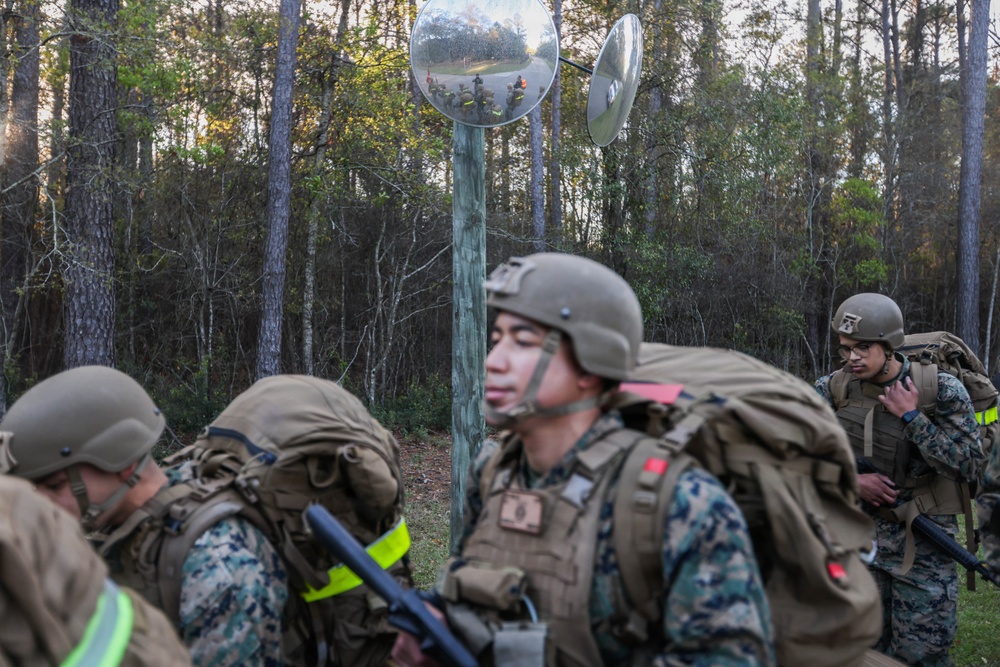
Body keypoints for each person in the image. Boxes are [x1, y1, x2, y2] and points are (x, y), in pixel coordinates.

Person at [393, 252, 774, 666]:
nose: (494, 361)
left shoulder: (679, 501)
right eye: (497, 339)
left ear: (591, 365)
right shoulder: (494, 472)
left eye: (523, 342)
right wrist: (441, 625)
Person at [0, 366, 288, 667]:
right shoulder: (118, 527)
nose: (41, 505)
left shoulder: (218, 565)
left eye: (54, 486)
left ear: (121, 459)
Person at [815, 293, 983, 667]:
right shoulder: (832, 389)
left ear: (889, 346)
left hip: (922, 544)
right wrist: (850, 481)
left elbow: (969, 465)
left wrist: (913, 418)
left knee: (921, 654)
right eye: (845, 348)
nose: (852, 357)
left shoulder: (938, 390)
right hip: (858, 540)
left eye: (863, 347)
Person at [0, 466, 193, 666]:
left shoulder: (197, 546)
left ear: (125, 467)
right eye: (34, 489)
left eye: (55, 485)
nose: (44, 501)